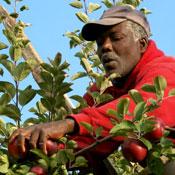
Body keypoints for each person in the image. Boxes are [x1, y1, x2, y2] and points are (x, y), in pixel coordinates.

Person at [9, 5, 175, 174]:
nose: (106, 47)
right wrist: (41, 150)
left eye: (116, 37)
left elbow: (142, 108)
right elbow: (84, 142)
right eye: (100, 42)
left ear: (142, 44)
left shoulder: (166, 70)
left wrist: (68, 124)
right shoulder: (104, 91)